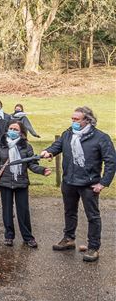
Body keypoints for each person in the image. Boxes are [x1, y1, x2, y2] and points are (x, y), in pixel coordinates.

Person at [42, 107, 115, 262]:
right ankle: (69, 239)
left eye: (76, 119)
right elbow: (58, 146)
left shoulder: (101, 137)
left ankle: (93, 247)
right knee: (69, 212)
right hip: (69, 181)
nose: (73, 122)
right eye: (72, 119)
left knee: (93, 216)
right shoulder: (68, 134)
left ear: (87, 120)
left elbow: (111, 162)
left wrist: (103, 183)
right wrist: (48, 152)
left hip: (89, 184)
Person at [0, 121, 50, 248]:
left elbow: (32, 164)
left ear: (21, 132)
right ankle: (9, 236)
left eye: (15, 129)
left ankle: (28, 237)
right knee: (7, 211)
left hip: (21, 183)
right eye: (10, 128)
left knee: (23, 211)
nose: (12, 130)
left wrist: (42, 170)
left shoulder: (26, 146)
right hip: (5, 183)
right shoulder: (1, 145)